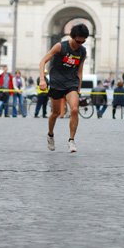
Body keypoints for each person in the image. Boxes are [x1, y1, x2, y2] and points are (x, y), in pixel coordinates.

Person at [39, 23, 89, 153]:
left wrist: (78, 89)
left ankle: (71, 140)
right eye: (78, 41)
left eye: (82, 42)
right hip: (56, 82)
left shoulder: (82, 51)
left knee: (74, 109)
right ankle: (50, 134)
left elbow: (79, 71)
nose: (79, 44)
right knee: (55, 113)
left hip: (71, 83)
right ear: (72, 36)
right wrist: (42, 79)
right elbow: (43, 61)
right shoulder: (60, 46)